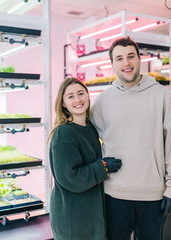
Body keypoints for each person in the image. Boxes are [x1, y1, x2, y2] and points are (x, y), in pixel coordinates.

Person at [90, 37, 171, 240]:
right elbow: (87, 142)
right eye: (119, 58)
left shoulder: (163, 96)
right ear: (112, 65)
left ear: (139, 59)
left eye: (130, 56)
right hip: (113, 196)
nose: (126, 63)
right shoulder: (102, 102)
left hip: (153, 197)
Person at [48, 77, 122, 240]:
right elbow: (69, 176)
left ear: (88, 96)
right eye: (71, 96)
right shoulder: (64, 133)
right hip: (72, 219)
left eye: (81, 93)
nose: (78, 100)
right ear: (63, 103)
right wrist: (102, 167)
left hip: (90, 214)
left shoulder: (90, 128)